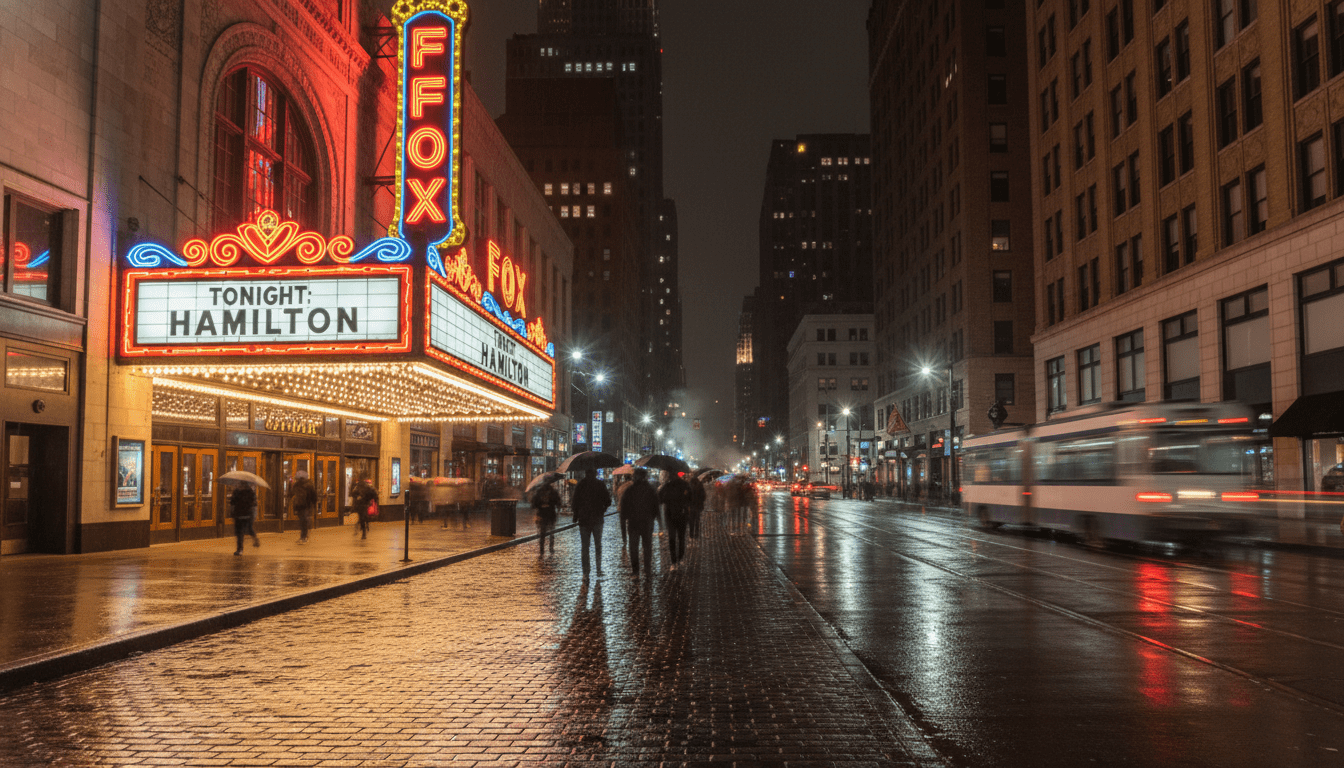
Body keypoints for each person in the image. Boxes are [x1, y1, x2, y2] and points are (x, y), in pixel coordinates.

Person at [570, 468, 611, 577]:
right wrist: (603, 509)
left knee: (585, 546)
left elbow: (575, 502)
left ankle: (586, 571)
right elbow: (608, 500)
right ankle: (598, 569)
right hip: (597, 519)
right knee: (598, 545)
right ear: (595, 474)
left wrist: (575, 515)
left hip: (583, 520)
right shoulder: (600, 484)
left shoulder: (580, 485)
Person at [620, 467, 659, 578]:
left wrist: (624, 519)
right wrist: (654, 518)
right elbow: (655, 506)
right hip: (646, 523)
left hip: (633, 524)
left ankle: (636, 572)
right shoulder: (650, 490)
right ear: (645, 477)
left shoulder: (629, 490)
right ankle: (647, 570)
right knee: (647, 547)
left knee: (634, 548)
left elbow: (624, 507)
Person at [658, 472, 693, 568]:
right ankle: (680, 559)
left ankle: (674, 562)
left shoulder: (667, 486)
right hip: (682, 514)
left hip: (670, 515)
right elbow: (690, 498)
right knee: (681, 538)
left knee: (672, 539)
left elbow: (660, 499)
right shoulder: (685, 485)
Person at [531, 480, 561, 556]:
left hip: (541, 514)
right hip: (551, 514)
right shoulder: (553, 491)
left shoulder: (539, 492)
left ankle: (542, 549)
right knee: (551, 532)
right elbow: (558, 502)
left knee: (542, 533)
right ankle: (551, 548)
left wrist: (539, 506)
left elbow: (533, 504)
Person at [230, 482, 260, 555]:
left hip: (240, 514)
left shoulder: (236, 491)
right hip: (247, 514)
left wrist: (232, 513)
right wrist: (254, 514)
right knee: (248, 529)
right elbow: (254, 504)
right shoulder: (250, 492)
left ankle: (240, 550)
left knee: (240, 532)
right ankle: (254, 539)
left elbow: (232, 504)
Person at [288, 470, 317, 543]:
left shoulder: (296, 485)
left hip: (299, 505)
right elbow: (314, 496)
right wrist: (314, 504)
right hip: (306, 505)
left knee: (302, 521)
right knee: (304, 521)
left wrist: (289, 485)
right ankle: (304, 537)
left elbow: (290, 494)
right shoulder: (309, 484)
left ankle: (303, 537)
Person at [350, 473, 377, 540]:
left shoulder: (357, 486)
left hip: (359, 504)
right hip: (365, 504)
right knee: (363, 517)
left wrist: (357, 497)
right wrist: (370, 500)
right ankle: (365, 528)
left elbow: (353, 493)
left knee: (361, 517)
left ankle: (363, 531)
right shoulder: (367, 486)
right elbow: (374, 493)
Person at [687, 475, 706, 539]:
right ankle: (697, 534)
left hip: (692, 506)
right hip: (698, 506)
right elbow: (704, 497)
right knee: (697, 520)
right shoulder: (700, 486)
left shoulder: (690, 487)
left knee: (691, 521)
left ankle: (691, 534)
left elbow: (687, 497)